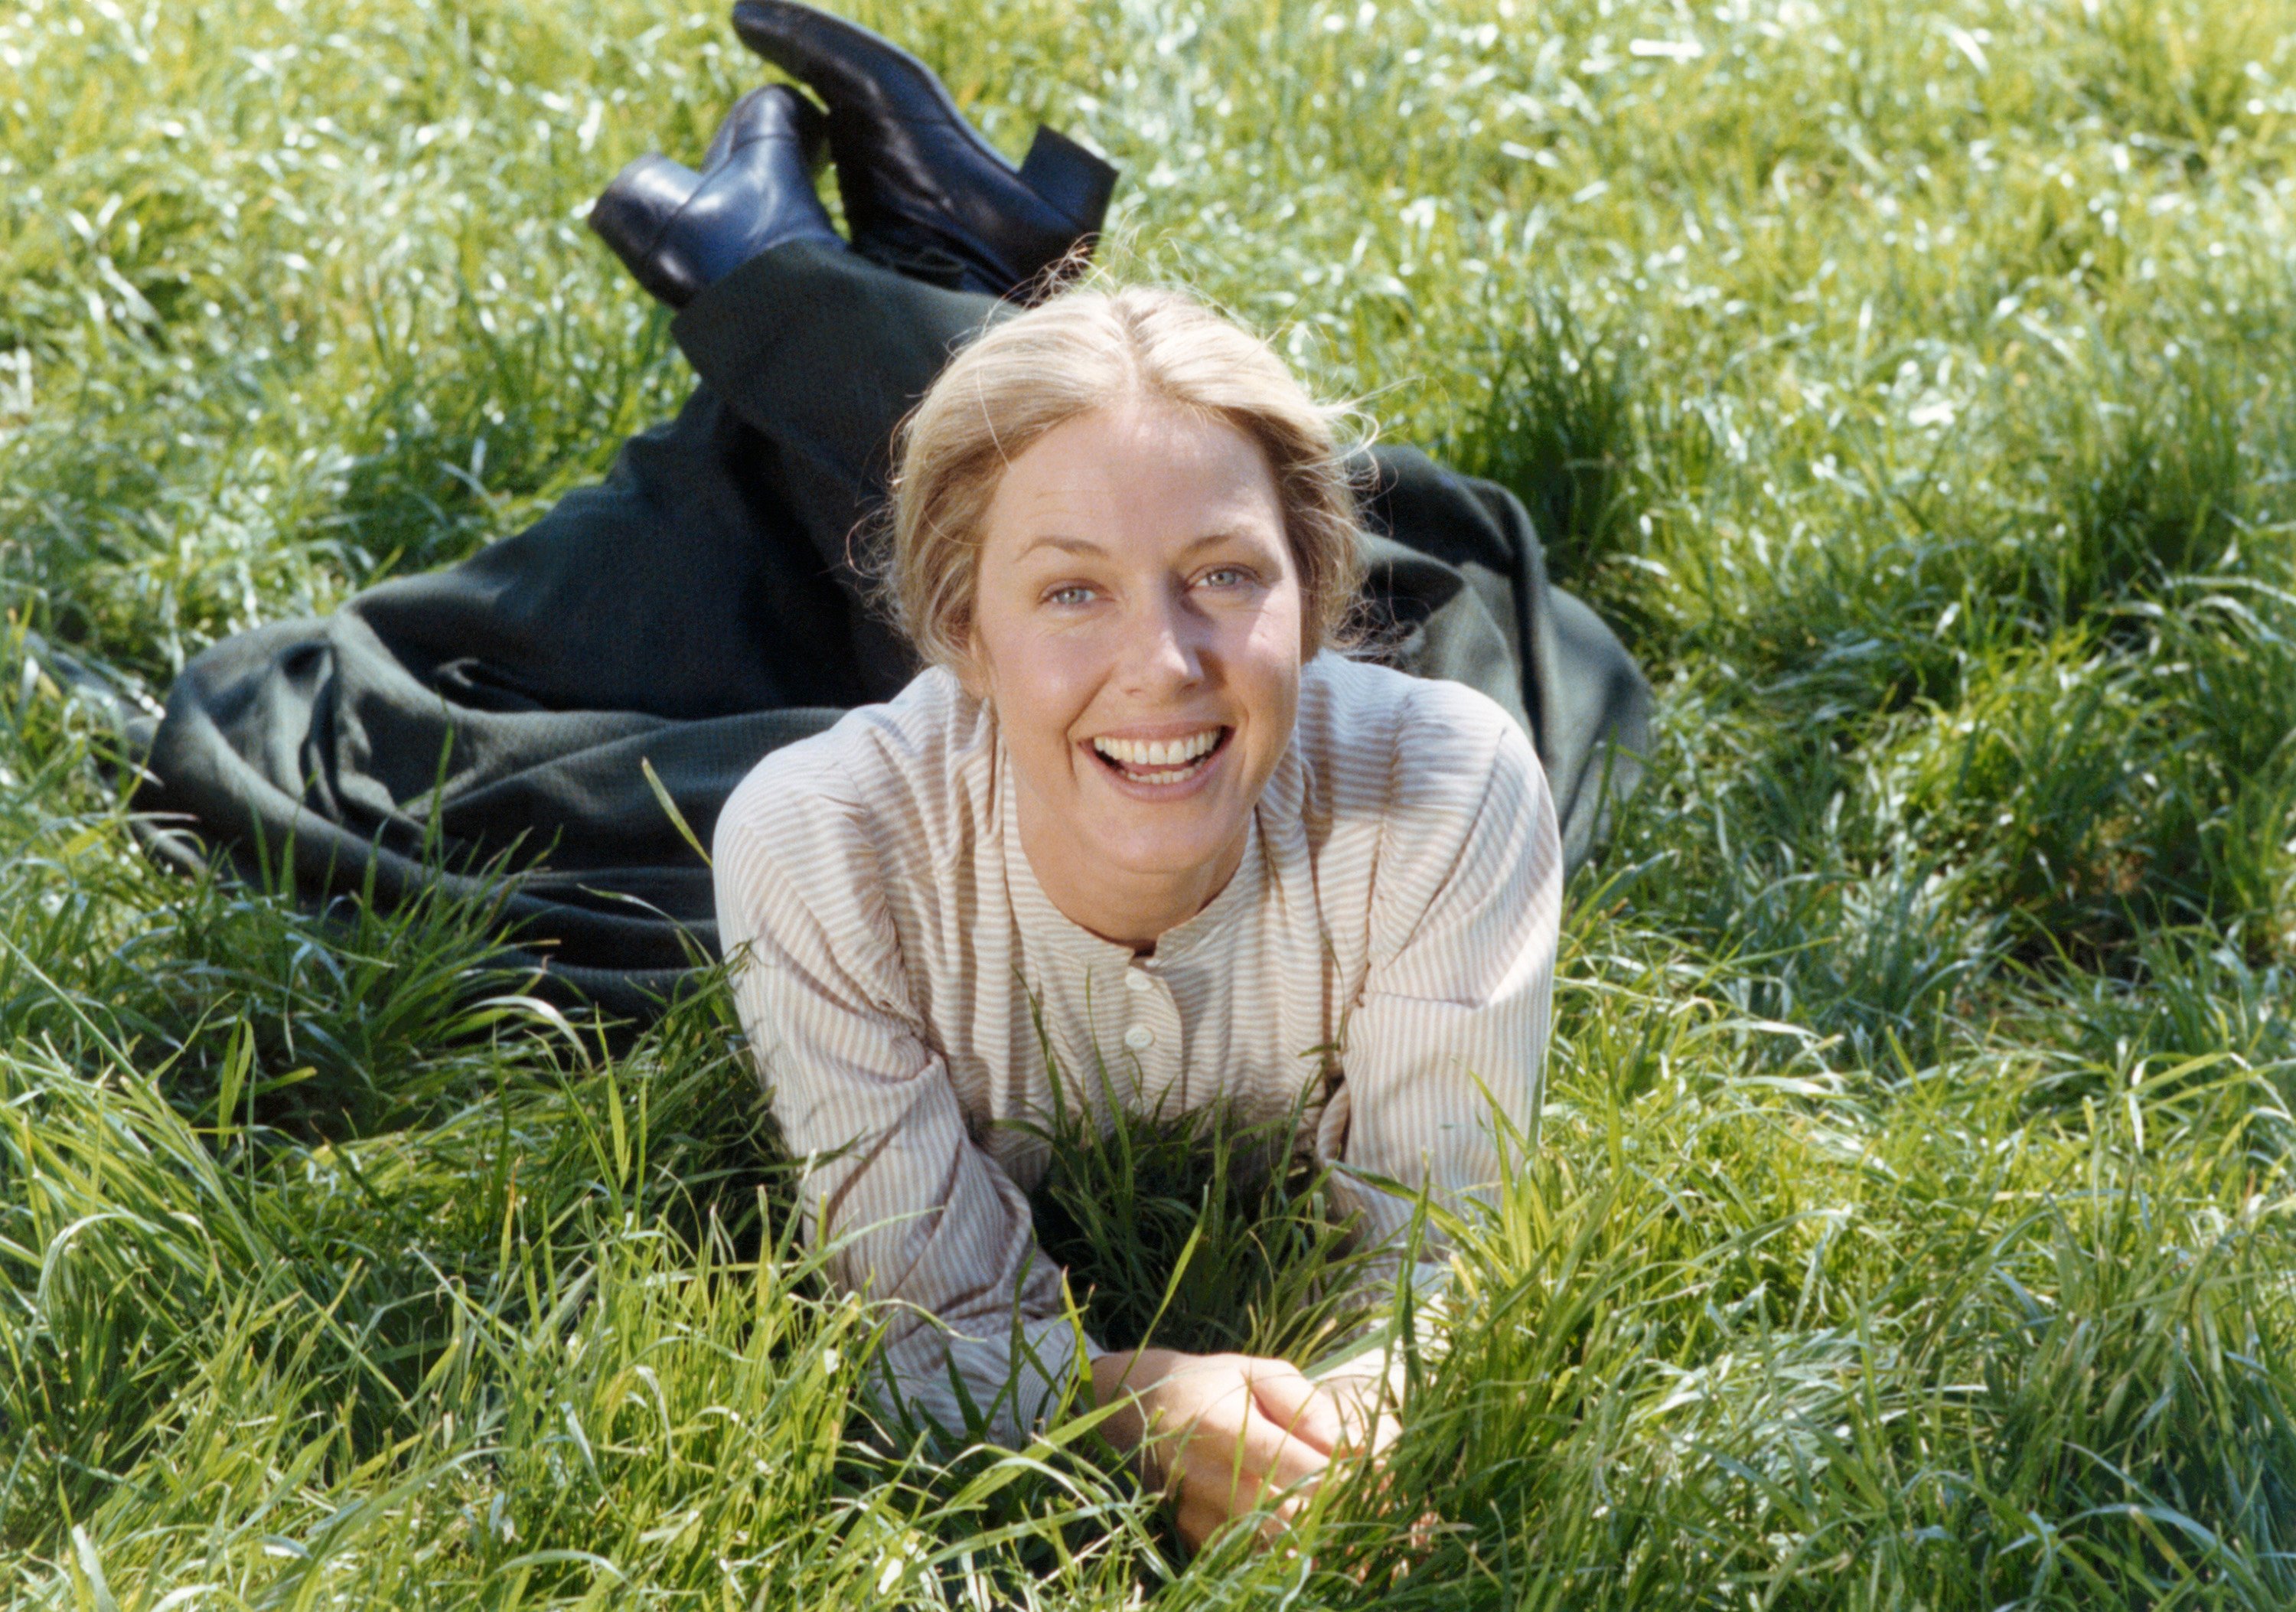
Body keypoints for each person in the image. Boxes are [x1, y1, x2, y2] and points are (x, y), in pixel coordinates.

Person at [132, 0, 1651, 1549]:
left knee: (1495, 656)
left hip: (1231, 723)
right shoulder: (828, 842)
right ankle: (870, 274)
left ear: (1318, 604)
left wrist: (1362, 1432)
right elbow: (931, 1323)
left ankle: (882, 271)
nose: (1165, 663)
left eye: (1230, 581)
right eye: (1068, 595)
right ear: (948, 634)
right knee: (395, 755)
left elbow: (1439, 1252)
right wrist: (1132, 1404)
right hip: (904, 773)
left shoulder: (1441, 785)